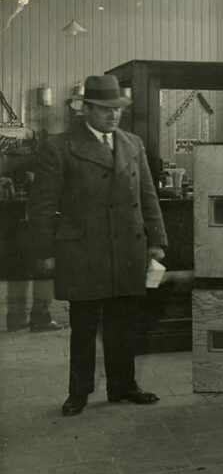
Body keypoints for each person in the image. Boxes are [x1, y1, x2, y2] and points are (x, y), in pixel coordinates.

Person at [28, 74, 168, 416]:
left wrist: (157, 241)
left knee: (123, 324)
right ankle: (78, 393)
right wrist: (45, 251)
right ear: (86, 109)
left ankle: (123, 386)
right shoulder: (59, 147)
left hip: (127, 250)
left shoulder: (132, 143)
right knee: (84, 327)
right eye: (105, 108)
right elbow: (42, 205)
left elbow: (148, 196)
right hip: (82, 250)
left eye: (117, 108)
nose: (113, 115)